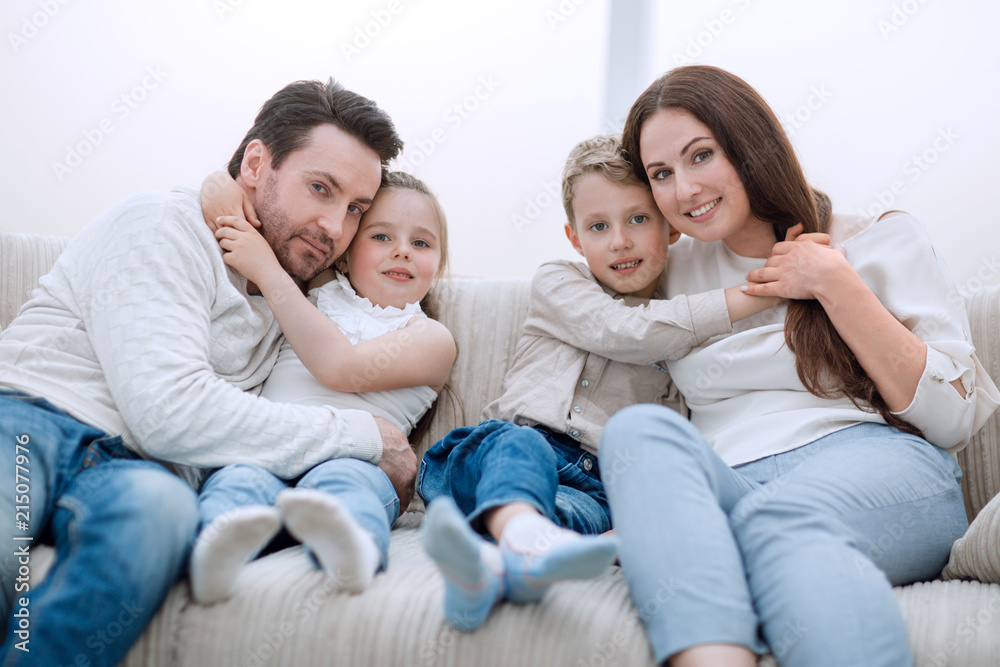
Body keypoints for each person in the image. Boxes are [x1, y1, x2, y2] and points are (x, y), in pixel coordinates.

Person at [0, 78, 412, 667]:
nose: (332, 227)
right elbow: (167, 410)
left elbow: (402, 291)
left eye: (354, 209)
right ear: (255, 162)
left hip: (139, 471)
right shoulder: (160, 225)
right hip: (29, 417)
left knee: (161, 515)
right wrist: (370, 436)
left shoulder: (292, 293)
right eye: (320, 189)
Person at [601, 65, 1000, 667]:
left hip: (874, 465)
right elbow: (565, 299)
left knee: (777, 520)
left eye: (700, 156)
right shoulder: (666, 275)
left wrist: (839, 285)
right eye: (661, 174)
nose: (684, 191)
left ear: (748, 143)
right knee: (637, 433)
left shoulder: (879, 240)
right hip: (733, 481)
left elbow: (955, 418)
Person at [417, 134, 785, 632]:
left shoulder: (691, 319)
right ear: (574, 238)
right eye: (598, 226)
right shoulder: (560, 282)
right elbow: (625, 331)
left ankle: (498, 568)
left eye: (638, 219)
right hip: (507, 451)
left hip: (599, 487)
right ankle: (521, 538)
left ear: (671, 227)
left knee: (572, 523)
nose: (620, 241)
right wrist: (756, 292)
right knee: (517, 449)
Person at [189, 170, 455, 603]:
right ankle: (214, 550)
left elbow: (341, 368)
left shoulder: (432, 339)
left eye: (421, 243)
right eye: (382, 237)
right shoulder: (319, 288)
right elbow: (224, 184)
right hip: (268, 449)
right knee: (237, 481)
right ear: (346, 255)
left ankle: (353, 551)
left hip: (358, 460)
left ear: (438, 267)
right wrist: (218, 190)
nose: (403, 251)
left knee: (343, 486)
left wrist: (264, 267)